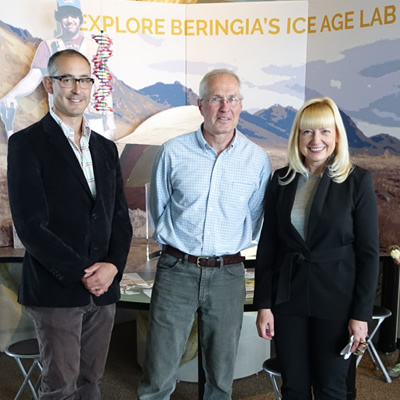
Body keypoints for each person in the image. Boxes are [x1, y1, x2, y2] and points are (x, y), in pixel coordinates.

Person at [137, 69, 271, 399]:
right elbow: (159, 210)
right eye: (215, 99)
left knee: (221, 376)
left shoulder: (256, 160)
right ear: (200, 105)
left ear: (241, 106)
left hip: (228, 274)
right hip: (176, 271)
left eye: (232, 99)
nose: (224, 107)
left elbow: (255, 220)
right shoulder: (172, 152)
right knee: (159, 370)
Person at [7, 49, 132, 399]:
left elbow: (119, 219)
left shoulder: (106, 148)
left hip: (104, 289)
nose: (77, 88)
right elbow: (31, 226)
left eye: (84, 79)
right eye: (67, 79)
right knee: (60, 386)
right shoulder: (26, 144)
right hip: (56, 289)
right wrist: (83, 272)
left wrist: (112, 268)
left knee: (91, 381)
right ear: (49, 83)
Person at [254, 97, 379, 400]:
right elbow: (268, 245)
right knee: (294, 385)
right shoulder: (282, 180)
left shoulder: (357, 180)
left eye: (324, 131)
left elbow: (368, 254)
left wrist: (361, 315)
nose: (316, 140)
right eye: (307, 132)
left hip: (337, 302)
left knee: (331, 387)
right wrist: (264, 304)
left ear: (336, 135)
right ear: (297, 136)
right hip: (289, 299)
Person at [0, 0, 115, 139]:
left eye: (74, 15)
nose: (70, 20)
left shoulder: (94, 48)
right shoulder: (48, 46)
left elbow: (103, 87)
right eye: (65, 16)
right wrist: (12, 95)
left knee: (96, 159)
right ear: (59, 18)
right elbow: (34, 77)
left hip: (94, 120)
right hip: (62, 120)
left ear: (80, 18)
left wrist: (109, 119)